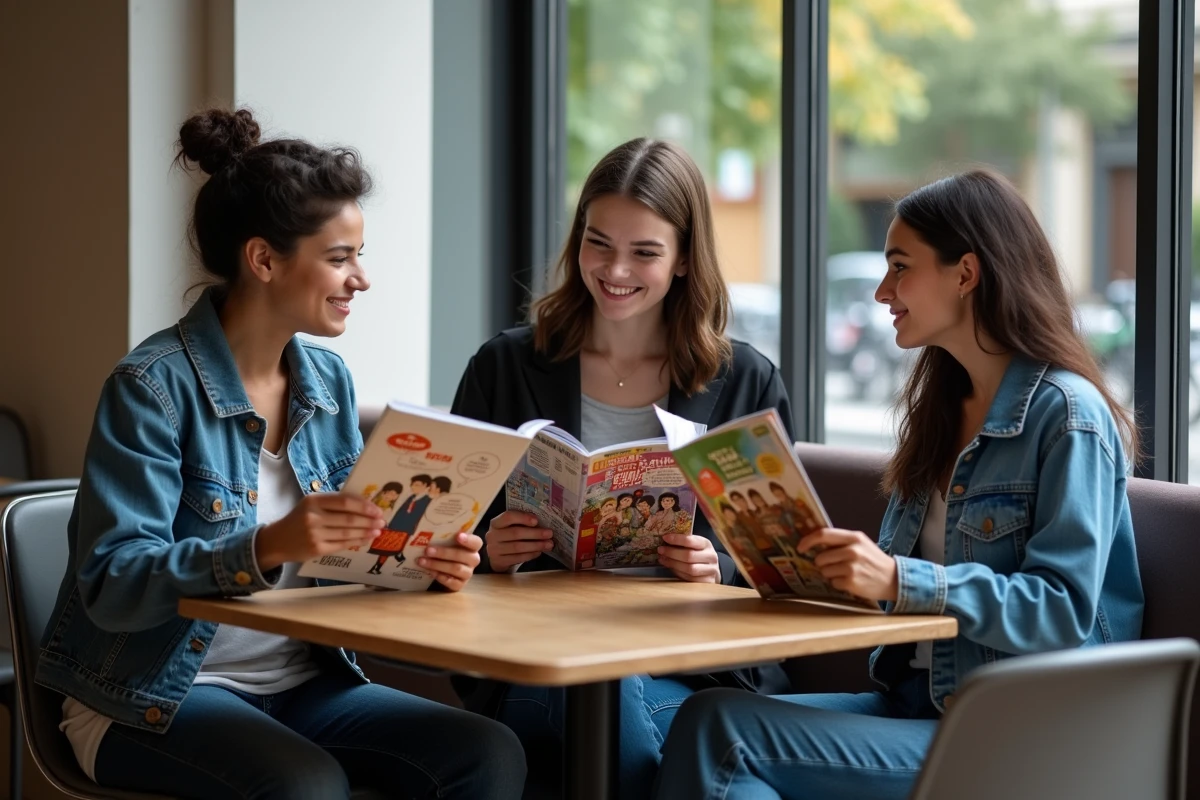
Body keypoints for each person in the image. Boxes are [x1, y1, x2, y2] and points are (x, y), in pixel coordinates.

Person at [35, 108, 525, 800]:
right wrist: (263, 547)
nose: (361, 279)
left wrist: (421, 563)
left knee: (486, 752)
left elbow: (347, 565)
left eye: (360, 254)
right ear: (264, 260)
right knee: (306, 785)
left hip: (302, 687)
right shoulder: (150, 388)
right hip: (150, 695)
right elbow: (115, 584)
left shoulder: (328, 383)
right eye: (339, 257)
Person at [653, 169, 1144, 800]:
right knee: (708, 716)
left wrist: (894, 578)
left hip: (1021, 736)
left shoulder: (1069, 417)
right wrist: (782, 566)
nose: (883, 291)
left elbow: (1063, 610)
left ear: (965, 274)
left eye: (900, 266)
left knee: (725, 735)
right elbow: (901, 599)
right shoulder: (943, 409)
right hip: (924, 706)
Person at [450, 137, 797, 799]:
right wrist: (487, 551)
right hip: (539, 659)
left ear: (686, 258)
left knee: (621, 705)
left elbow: (783, 557)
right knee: (604, 697)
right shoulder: (504, 366)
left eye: (644, 252)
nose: (614, 270)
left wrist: (716, 566)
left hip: (692, 666)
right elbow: (438, 542)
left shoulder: (747, 380)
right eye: (598, 243)